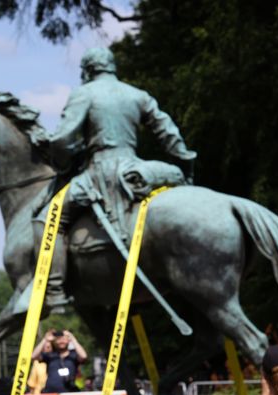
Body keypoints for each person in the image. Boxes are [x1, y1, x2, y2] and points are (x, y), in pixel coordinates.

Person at [40, 46, 197, 308]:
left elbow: (63, 138)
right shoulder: (137, 95)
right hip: (137, 167)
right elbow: (168, 133)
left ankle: (55, 289)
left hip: (101, 171)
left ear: (89, 70)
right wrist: (185, 162)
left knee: (49, 218)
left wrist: (63, 159)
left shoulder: (84, 93)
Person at [31, 329, 88, 393]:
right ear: (55, 341)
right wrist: (45, 339)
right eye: (59, 339)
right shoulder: (50, 355)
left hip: (70, 393)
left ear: (68, 340)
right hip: (50, 393)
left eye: (64, 339)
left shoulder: (73, 355)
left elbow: (84, 356)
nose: (61, 341)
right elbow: (34, 356)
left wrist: (73, 338)